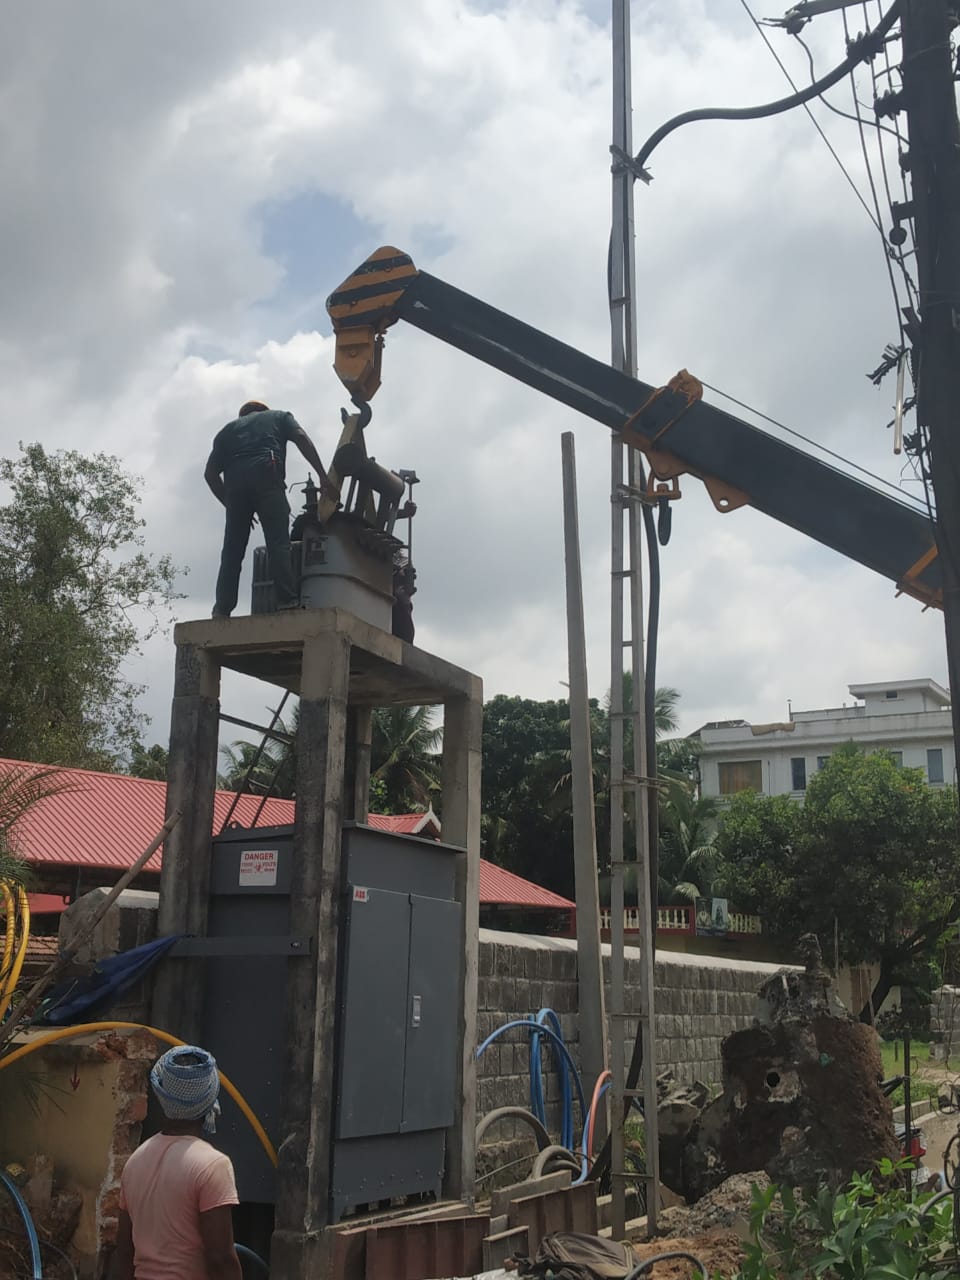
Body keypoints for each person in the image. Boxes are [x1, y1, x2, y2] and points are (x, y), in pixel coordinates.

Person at [113, 1045, 241, 1280]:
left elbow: (124, 1251)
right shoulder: (213, 1165)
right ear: (210, 1097)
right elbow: (220, 1259)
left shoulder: (135, 1161)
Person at [204, 400, 336, 618]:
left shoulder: (226, 432)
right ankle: (286, 601)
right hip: (267, 476)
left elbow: (210, 474)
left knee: (232, 551)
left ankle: (222, 609)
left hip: (235, 487)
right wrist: (322, 475)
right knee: (277, 543)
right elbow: (301, 437)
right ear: (264, 411)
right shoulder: (279, 416)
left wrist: (230, 504)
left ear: (242, 416)